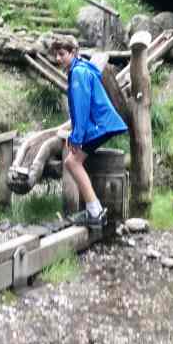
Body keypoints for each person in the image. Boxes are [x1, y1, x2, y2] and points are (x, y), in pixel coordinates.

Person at [50, 35, 128, 231]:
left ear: (73, 53)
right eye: (56, 55)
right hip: (101, 125)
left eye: (62, 54)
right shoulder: (80, 69)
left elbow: (82, 107)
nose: (58, 59)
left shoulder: (78, 73)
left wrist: (76, 137)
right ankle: (94, 209)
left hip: (100, 125)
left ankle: (95, 211)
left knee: (72, 162)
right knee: (74, 162)